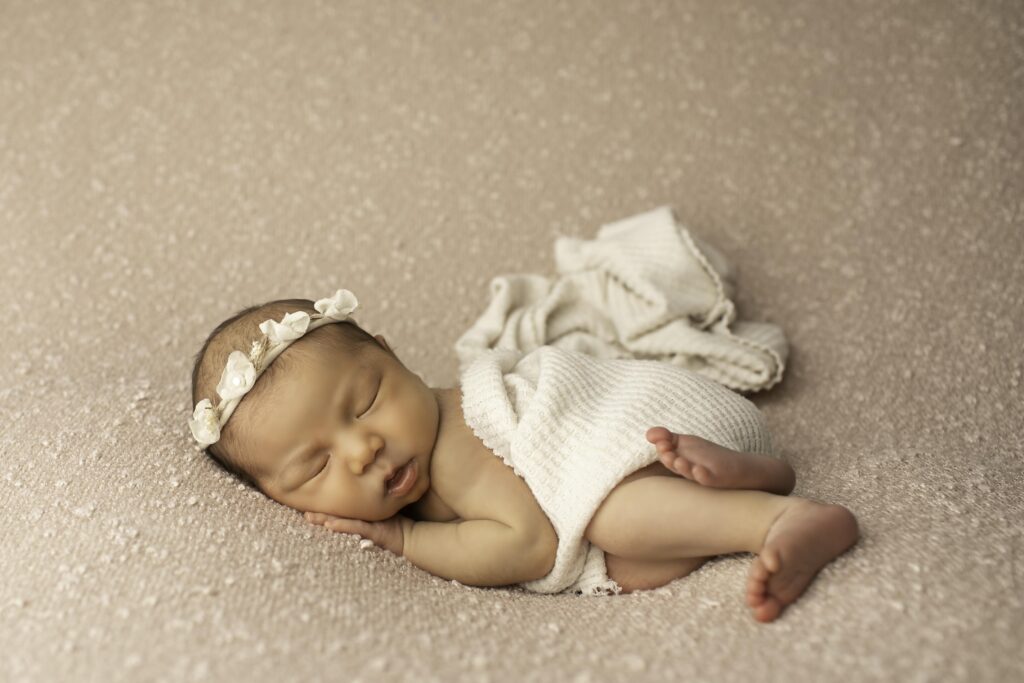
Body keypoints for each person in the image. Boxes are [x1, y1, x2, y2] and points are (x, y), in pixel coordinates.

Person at [189, 289, 859, 623]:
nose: (363, 449)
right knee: (631, 561)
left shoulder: (456, 437)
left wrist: (404, 535)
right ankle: (752, 476)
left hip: (650, 423)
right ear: (283, 500)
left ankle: (775, 519)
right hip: (694, 453)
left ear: (392, 355)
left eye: (365, 402)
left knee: (611, 519)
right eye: (316, 466)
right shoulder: (407, 456)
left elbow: (531, 545)